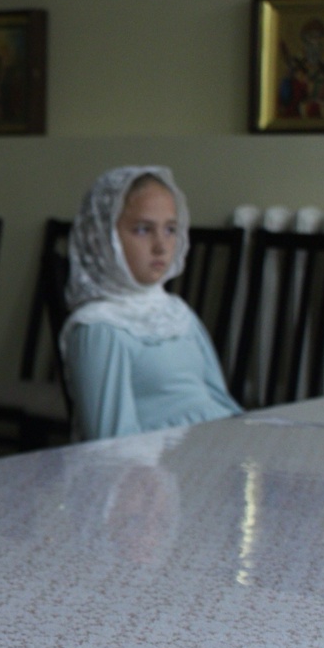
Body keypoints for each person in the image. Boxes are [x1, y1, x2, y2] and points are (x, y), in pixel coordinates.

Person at [61, 165, 241, 441]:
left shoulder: (176, 312)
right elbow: (112, 442)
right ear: (105, 238)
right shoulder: (100, 327)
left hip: (216, 445)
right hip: (163, 462)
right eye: (143, 230)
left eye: (170, 230)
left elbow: (220, 400)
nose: (161, 246)